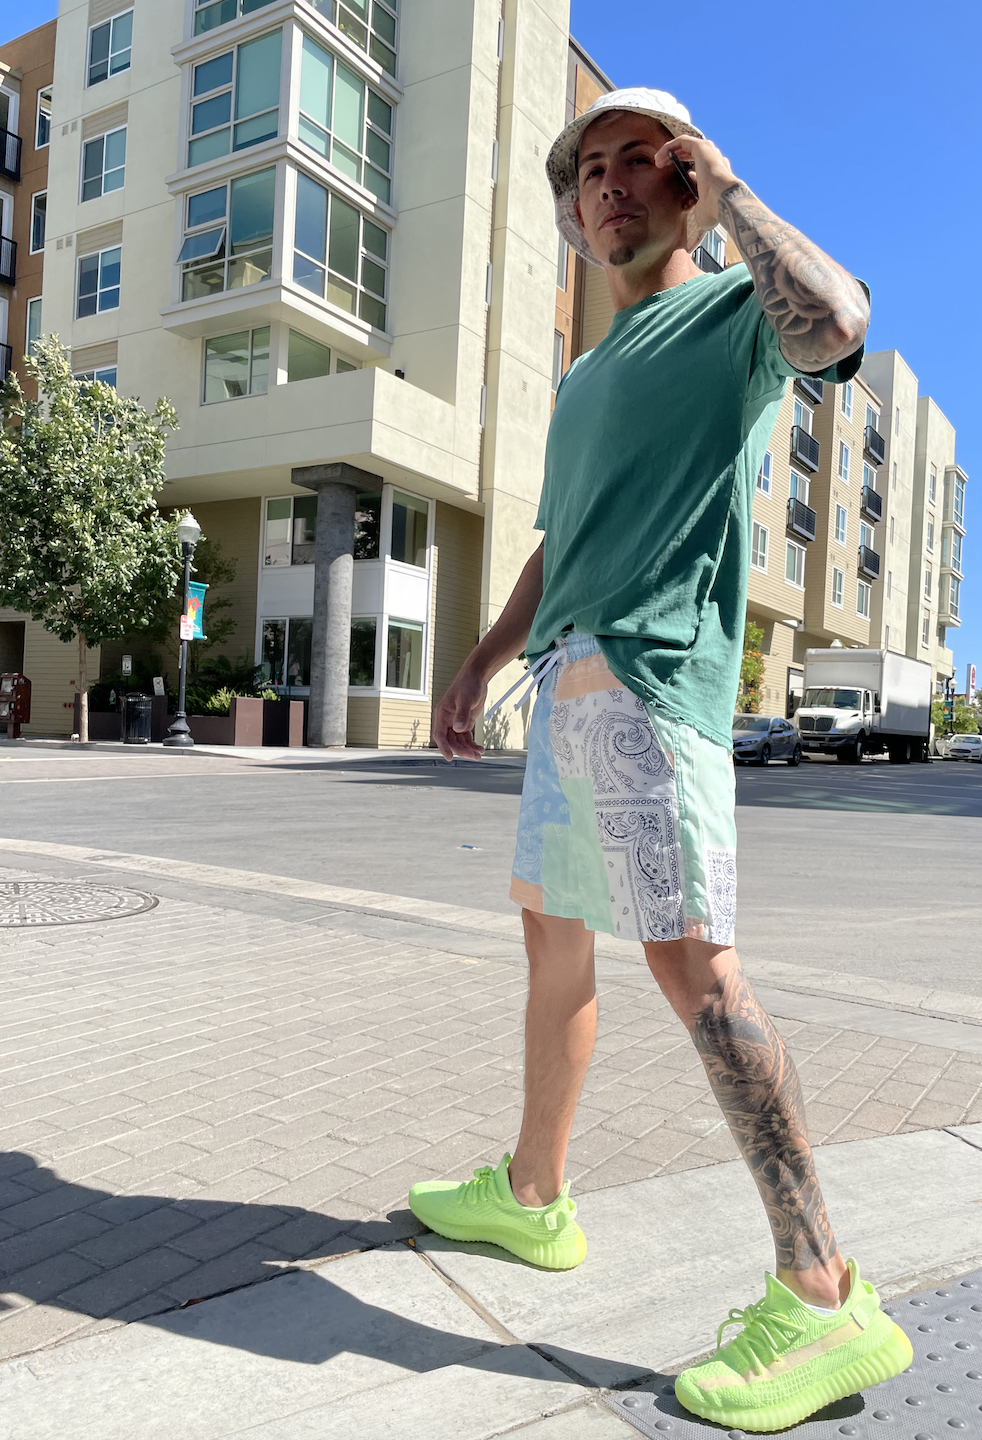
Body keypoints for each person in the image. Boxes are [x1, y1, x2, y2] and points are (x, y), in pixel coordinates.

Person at [408, 88, 913, 1432]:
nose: (615, 182)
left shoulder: (734, 312)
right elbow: (558, 536)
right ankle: (533, 1194)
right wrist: (480, 659)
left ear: (685, 183)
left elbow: (837, 323)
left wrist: (728, 187)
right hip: (565, 680)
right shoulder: (588, 371)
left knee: (692, 964)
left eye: (646, 160)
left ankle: (822, 1296)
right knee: (552, 937)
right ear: (573, 210)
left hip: (645, 682)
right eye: (592, 168)